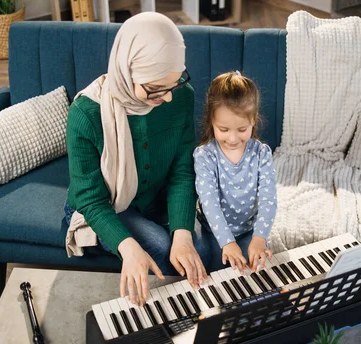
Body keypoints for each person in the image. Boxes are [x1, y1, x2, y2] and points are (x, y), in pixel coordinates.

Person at [64, 12, 210, 306]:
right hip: (105, 206)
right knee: (161, 252)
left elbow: (182, 172)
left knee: (200, 250)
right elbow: (91, 200)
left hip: (155, 200)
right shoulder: (85, 113)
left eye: (174, 83)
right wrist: (128, 247)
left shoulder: (181, 96)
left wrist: (182, 233)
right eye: (155, 88)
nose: (167, 97)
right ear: (126, 70)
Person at [194, 71, 277, 273]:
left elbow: (269, 199)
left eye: (242, 130)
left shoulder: (261, 153)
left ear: (253, 121)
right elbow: (210, 203)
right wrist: (227, 242)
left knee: (258, 271)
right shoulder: (205, 156)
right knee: (220, 273)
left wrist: (260, 237)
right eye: (223, 129)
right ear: (211, 121)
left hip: (249, 229)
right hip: (215, 232)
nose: (232, 139)